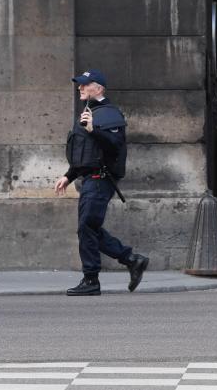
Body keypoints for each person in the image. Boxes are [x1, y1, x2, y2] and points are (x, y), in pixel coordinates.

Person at [53, 69, 148, 296]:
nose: (80, 88)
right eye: (80, 85)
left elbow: (114, 144)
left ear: (99, 88)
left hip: (100, 179)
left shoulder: (109, 113)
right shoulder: (88, 112)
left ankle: (91, 279)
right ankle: (131, 259)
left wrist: (93, 130)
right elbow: (85, 153)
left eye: (85, 85)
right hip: (89, 179)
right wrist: (69, 175)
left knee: (87, 227)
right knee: (90, 227)